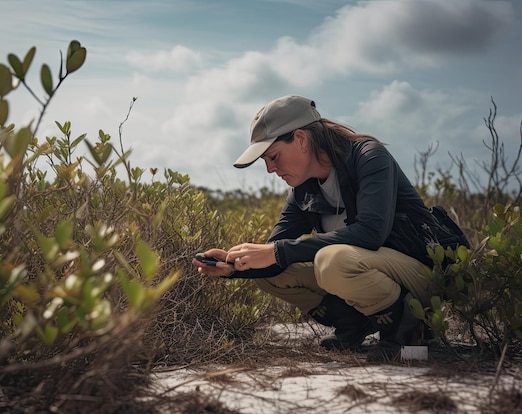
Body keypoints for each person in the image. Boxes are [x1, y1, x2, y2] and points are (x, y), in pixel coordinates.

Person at [193, 95, 469, 362]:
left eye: (273, 156)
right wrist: (233, 267)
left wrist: (277, 251)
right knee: (268, 268)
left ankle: (410, 331)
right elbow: (275, 256)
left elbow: (371, 234)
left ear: (300, 139)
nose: (270, 169)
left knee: (331, 259)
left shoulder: (369, 157)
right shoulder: (303, 191)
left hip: (419, 276)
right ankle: (354, 325)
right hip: (370, 273)